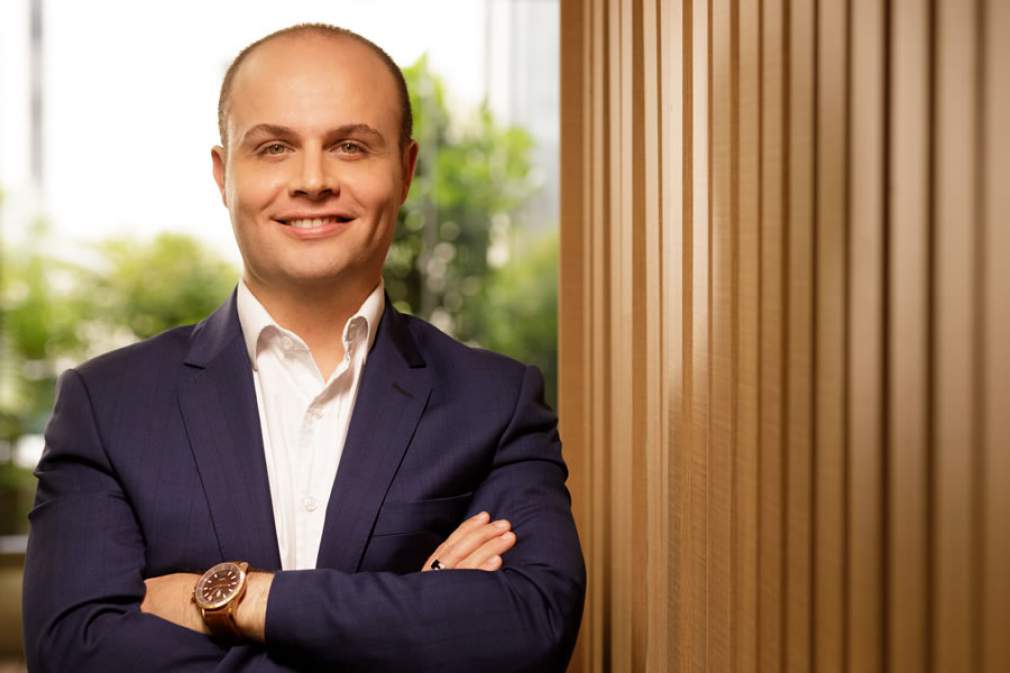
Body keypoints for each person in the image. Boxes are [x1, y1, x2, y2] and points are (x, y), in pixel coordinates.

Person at [21, 22, 585, 672]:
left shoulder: (497, 403)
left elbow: (530, 626)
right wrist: (417, 615)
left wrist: (236, 598)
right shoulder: (106, 405)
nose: (313, 180)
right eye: (274, 148)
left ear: (405, 171)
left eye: (349, 146)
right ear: (223, 175)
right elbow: (74, 652)